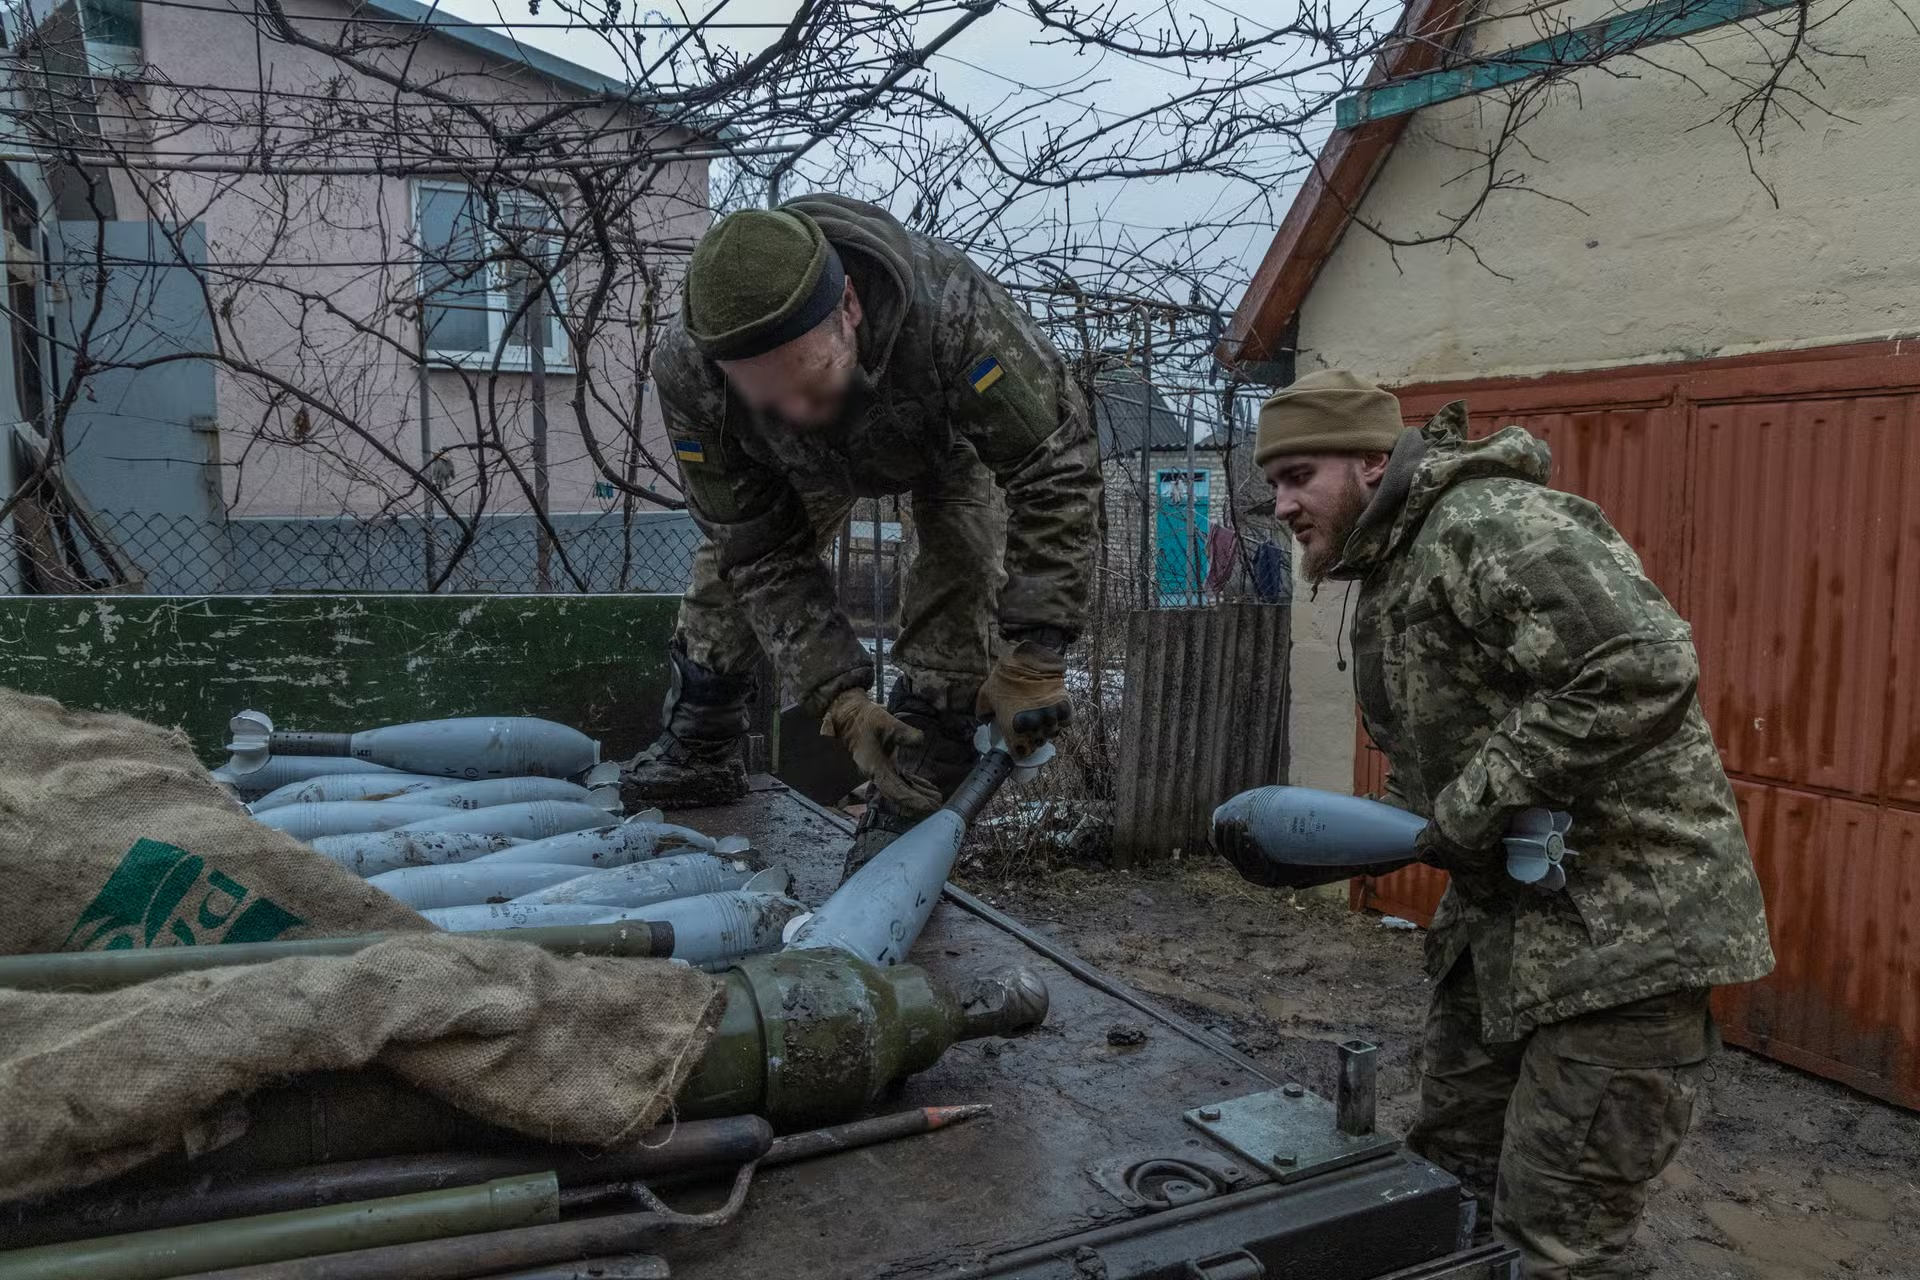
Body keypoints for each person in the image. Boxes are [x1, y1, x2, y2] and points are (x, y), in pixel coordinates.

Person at [1230, 369, 1774, 1278]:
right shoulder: (1393, 564)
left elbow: (1641, 664)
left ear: (1372, 461)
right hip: (1503, 931)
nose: (1281, 504)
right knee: (1446, 1183)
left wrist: (1466, 810)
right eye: (1273, 483)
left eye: (1299, 476)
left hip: (1623, 940)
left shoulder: (1491, 524)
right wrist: (1333, 837)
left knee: (1560, 1232)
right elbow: (1434, 760)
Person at [623, 195, 1101, 875]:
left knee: (963, 547)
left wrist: (1037, 652)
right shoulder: (689, 373)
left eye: (807, 381)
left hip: (944, 440)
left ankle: (919, 772)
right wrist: (840, 698)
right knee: (727, 568)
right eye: (769, 399)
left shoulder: (955, 312)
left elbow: (1052, 466)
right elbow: (755, 546)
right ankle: (701, 738)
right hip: (797, 471)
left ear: (848, 305)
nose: (795, 410)